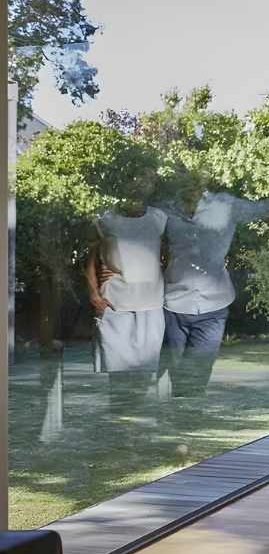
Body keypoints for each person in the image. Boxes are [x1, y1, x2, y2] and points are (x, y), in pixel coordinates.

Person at [158, 173, 269, 398]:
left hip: (214, 303)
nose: (190, 182)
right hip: (174, 302)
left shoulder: (226, 205)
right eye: (184, 176)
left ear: (204, 180)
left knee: (198, 372)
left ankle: (190, 419)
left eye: (195, 177)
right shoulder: (165, 210)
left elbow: (266, 208)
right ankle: (183, 417)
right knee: (176, 371)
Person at [86, 170, 167, 410]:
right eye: (133, 180)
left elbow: (170, 252)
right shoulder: (106, 219)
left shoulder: (159, 218)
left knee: (144, 375)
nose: (139, 187)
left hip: (151, 304)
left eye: (145, 181)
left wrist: (154, 267)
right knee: (119, 375)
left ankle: (137, 427)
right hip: (116, 303)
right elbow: (90, 261)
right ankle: (120, 425)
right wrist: (94, 295)